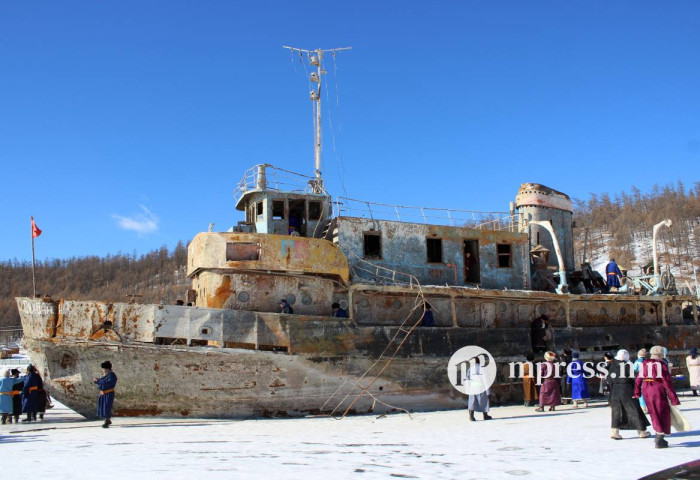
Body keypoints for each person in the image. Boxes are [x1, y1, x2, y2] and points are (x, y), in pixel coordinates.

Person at [634, 345, 680, 448]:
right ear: (661, 355)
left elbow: (638, 379)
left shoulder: (644, 364)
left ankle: (659, 435)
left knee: (653, 413)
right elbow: (667, 383)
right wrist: (673, 398)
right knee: (662, 413)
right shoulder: (661, 365)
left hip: (646, 390)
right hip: (658, 390)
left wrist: (637, 392)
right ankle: (660, 437)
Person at [609, 349, 650, 440]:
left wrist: (610, 395)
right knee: (635, 410)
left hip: (615, 391)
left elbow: (610, 381)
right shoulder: (628, 366)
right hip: (627, 390)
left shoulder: (612, 366)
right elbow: (634, 379)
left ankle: (614, 432)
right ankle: (642, 431)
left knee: (616, 412)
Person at [466, 357, 492, 421]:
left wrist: (468, 389)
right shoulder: (483, 369)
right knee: (484, 401)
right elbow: (486, 380)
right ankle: (485, 415)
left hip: (473, 387)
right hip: (481, 387)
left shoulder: (470, 369)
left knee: (472, 402)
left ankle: (471, 416)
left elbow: (467, 379)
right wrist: (488, 391)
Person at [94, 361, 117, 428]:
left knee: (107, 407)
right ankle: (107, 419)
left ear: (107, 369)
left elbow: (107, 383)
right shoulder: (103, 375)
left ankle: (107, 420)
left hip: (108, 394)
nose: (103, 370)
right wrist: (97, 381)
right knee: (102, 407)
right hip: (102, 394)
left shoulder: (112, 375)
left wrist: (98, 381)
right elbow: (102, 382)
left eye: (104, 368)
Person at [634, 349, 649, 413]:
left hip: (640, 379)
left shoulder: (637, 362)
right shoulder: (648, 361)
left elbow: (634, 369)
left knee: (641, 394)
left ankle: (643, 407)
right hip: (648, 379)